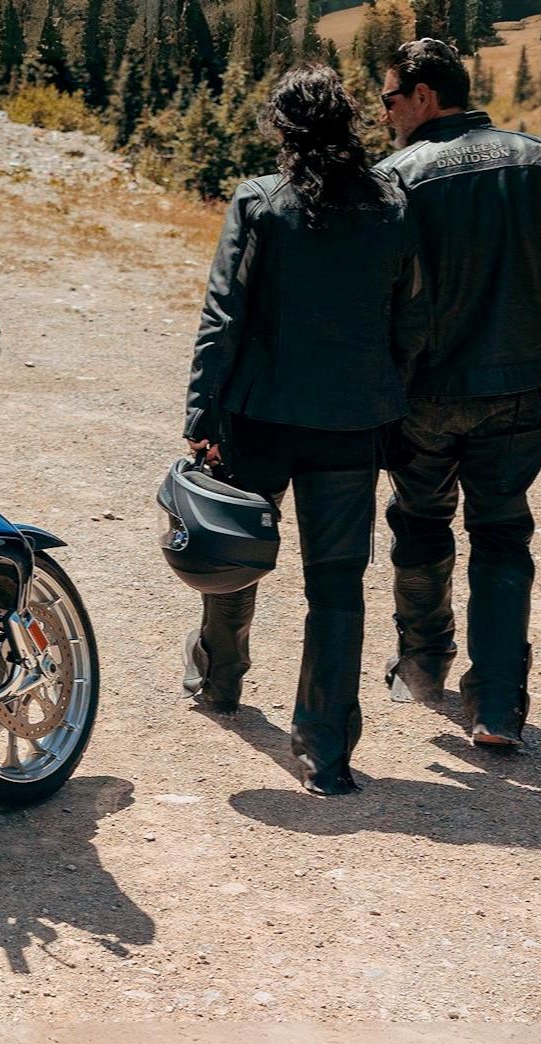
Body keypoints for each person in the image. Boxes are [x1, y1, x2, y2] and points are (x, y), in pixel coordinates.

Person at [182, 64, 429, 796]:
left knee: (235, 554)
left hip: (259, 414)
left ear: (284, 132)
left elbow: (222, 316)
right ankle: (325, 749)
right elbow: (412, 315)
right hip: (351, 423)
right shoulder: (389, 204)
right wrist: (390, 388)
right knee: (337, 584)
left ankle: (220, 679)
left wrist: (202, 412)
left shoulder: (260, 202)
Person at [377, 39, 541, 749]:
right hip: (517, 391)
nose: (385, 115)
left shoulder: (395, 175)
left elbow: (379, 296)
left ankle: (422, 663)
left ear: (423, 97)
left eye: (390, 100)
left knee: (420, 524)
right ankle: (498, 704)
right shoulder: (537, 159)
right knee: (503, 534)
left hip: (424, 394)